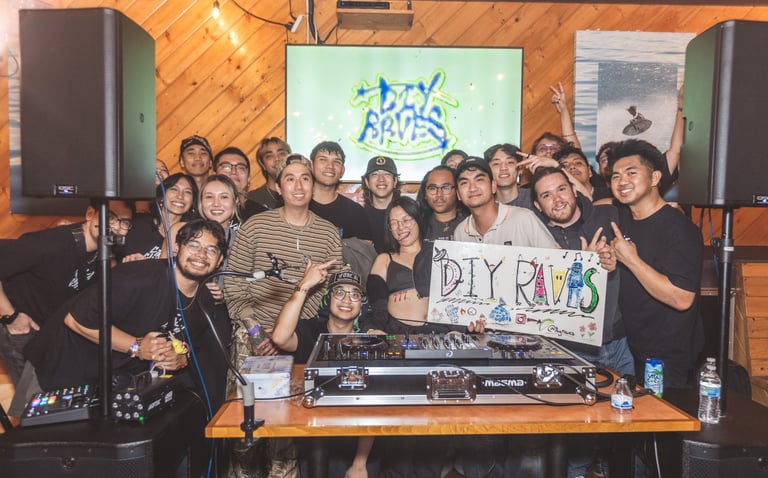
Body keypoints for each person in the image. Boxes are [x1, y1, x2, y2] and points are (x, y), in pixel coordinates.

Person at [12, 219, 231, 416]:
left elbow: (184, 342)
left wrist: (181, 358)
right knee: (40, 445)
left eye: (211, 250)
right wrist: (137, 346)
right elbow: (75, 320)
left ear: (220, 259)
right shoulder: (138, 277)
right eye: (193, 245)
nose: (201, 255)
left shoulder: (204, 299)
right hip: (60, 371)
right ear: (176, 247)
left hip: (111, 382)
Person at [224, 154, 342, 368]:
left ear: (313, 186)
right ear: (278, 187)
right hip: (253, 330)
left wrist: (290, 335)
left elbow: (331, 291)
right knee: (248, 390)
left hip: (303, 334)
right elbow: (233, 283)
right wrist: (256, 331)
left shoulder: (328, 233)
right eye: (290, 179)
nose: (298, 186)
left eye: (305, 178)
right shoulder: (255, 226)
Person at [0, 199, 134, 385]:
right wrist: (11, 317)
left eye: (124, 222)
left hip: (49, 332)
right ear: (90, 214)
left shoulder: (104, 252)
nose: (116, 227)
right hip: (21, 327)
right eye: (109, 217)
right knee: (31, 395)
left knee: (49, 394)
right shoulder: (53, 242)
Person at [608, 139, 703, 388]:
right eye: (616, 176)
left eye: (631, 173)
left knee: (663, 413)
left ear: (655, 177)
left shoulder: (680, 229)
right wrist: (610, 261)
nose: (622, 181)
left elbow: (682, 298)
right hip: (633, 348)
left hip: (668, 358)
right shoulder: (623, 219)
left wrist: (631, 260)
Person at [530, 166, 633, 375]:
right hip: (569, 349)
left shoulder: (609, 216)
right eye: (546, 195)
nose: (557, 199)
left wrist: (613, 262)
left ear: (574, 190)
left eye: (562, 189)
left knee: (630, 396)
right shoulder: (537, 239)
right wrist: (583, 265)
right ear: (537, 205)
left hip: (619, 343)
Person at [453, 157, 558, 248]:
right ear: (458, 194)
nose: (472, 188)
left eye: (479, 180)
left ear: (493, 186)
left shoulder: (524, 219)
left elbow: (556, 260)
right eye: (464, 183)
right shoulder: (461, 232)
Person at [122, 173, 198, 261]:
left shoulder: (193, 235)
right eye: (174, 189)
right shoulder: (137, 225)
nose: (180, 196)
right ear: (161, 195)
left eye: (188, 192)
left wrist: (149, 264)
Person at [213, 146, 267, 220]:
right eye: (226, 167)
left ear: (248, 179)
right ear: (214, 176)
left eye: (240, 168)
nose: (233, 172)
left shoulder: (262, 216)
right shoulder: (202, 212)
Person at [416, 165, 467, 242]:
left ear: (457, 191)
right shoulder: (417, 225)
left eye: (446, 187)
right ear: (425, 193)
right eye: (433, 188)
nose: (439, 194)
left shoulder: (470, 224)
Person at [361, 156, 401, 253]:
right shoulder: (358, 215)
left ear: (395, 181)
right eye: (375, 174)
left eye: (387, 174)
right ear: (367, 182)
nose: (381, 179)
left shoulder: (407, 215)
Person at [246, 137, 291, 210]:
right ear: (263, 165)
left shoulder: (302, 193)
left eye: (281, 153)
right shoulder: (252, 199)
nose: (277, 158)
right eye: (269, 156)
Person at [483, 143, 534, 209]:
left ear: (520, 170)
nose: (503, 168)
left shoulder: (536, 198)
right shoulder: (483, 205)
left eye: (510, 162)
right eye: (496, 164)